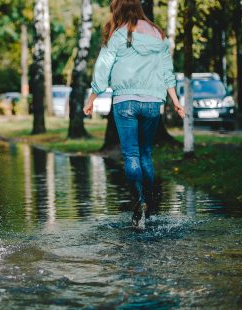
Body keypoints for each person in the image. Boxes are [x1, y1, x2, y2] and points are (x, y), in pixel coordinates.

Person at [83, 0, 185, 229]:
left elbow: (103, 67)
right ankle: (148, 200)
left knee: (130, 155)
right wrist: (176, 102)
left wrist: (92, 99)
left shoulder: (118, 33)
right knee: (146, 153)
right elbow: (167, 71)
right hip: (152, 102)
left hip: (125, 101)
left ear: (117, 9)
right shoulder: (158, 34)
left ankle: (139, 199)